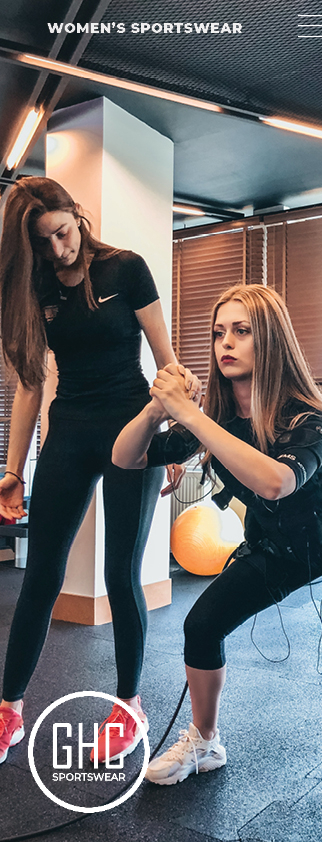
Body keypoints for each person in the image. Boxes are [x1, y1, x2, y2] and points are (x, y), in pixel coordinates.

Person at [112, 284, 322, 842]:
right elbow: (125, 457)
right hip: (277, 549)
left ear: (268, 340)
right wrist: (158, 407)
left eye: (241, 331)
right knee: (201, 625)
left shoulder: (307, 417)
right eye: (219, 332)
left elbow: (275, 483)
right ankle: (206, 740)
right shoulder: (220, 414)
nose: (226, 343)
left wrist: (191, 419)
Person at [0, 177, 196, 767]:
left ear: (77, 215)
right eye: (43, 243)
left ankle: (128, 707)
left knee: (120, 573)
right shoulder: (33, 286)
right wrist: (12, 469)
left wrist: (175, 445)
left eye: (62, 232)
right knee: (41, 576)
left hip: (132, 430)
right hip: (70, 432)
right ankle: (8, 709)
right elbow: (32, 384)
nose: (58, 250)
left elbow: (168, 364)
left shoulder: (126, 269)